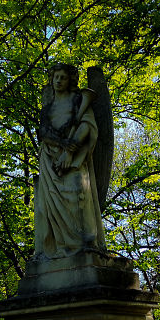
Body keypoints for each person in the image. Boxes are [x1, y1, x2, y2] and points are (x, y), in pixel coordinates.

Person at [34, 63, 106, 257]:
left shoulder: (78, 101)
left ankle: (84, 245)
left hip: (74, 159)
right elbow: (43, 133)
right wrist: (63, 143)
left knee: (77, 196)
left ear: (70, 80)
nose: (58, 81)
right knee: (46, 207)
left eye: (63, 77)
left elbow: (87, 125)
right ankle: (59, 247)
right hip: (50, 161)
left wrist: (70, 151)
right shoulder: (47, 109)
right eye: (55, 77)